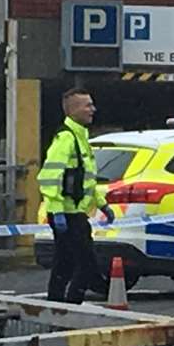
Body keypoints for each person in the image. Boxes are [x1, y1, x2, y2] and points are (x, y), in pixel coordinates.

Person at [38, 88, 116, 302]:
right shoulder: (66, 138)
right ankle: (72, 305)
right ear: (73, 111)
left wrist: (101, 204)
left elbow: (86, 180)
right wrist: (56, 210)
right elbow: (49, 177)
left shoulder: (80, 137)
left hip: (75, 212)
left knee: (65, 262)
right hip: (67, 213)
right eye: (87, 105)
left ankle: (56, 305)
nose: (93, 109)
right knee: (86, 264)